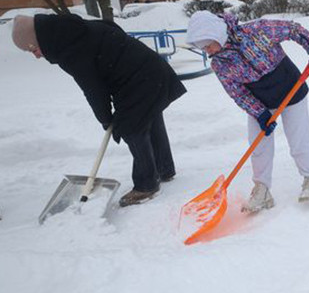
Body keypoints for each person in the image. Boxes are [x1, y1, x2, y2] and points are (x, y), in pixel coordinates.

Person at [11, 14, 186, 207]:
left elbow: (93, 89)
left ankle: (146, 185)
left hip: (139, 79)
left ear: (42, 39)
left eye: (33, 49)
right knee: (148, 118)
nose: (36, 55)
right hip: (149, 70)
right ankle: (164, 169)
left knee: (131, 128)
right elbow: (111, 27)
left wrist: (105, 118)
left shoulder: (70, 49)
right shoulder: (76, 30)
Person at [186, 11, 309, 212]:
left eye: (208, 45)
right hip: (261, 101)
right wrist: (259, 112)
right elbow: (238, 93)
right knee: (258, 146)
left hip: (291, 90)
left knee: (298, 141)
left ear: (217, 34)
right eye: (203, 48)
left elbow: (293, 29)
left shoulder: (257, 31)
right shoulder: (219, 63)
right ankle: (262, 189)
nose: (207, 51)